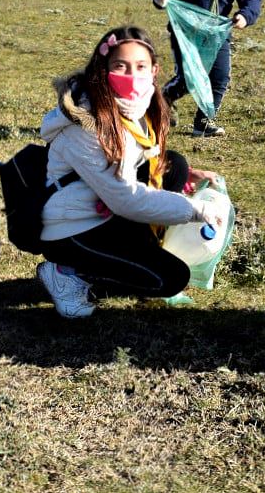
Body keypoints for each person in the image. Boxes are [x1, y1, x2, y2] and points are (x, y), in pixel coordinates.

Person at [35, 27, 229, 318]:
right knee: (170, 278)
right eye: (120, 66)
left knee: (173, 165)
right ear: (103, 69)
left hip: (102, 207)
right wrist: (194, 209)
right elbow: (126, 199)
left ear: (154, 70)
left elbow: (143, 158)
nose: (131, 76)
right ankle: (68, 273)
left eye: (140, 67)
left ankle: (131, 255)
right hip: (74, 225)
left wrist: (186, 173)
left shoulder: (138, 104)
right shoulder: (86, 122)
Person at [151, 0, 263, 137]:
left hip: (218, 35)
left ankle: (202, 124)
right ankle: (162, 100)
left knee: (220, 78)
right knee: (190, 79)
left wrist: (245, 15)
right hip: (187, 34)